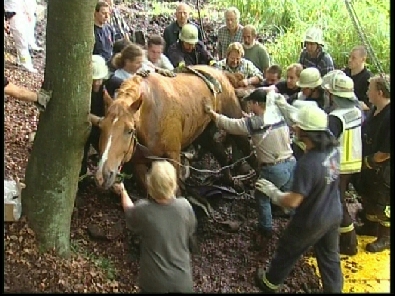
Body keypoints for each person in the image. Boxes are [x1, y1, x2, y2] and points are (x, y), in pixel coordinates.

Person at [254, 105, 343, 293]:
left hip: (311, 220)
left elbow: (293, 201)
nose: (294, 127)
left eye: (297, 126)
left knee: (287, 250)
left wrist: (273, 193)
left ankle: (269, 283)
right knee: (330, 258)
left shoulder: (308, 163)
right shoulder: (333, 149)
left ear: (306, 132)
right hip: (333, 213)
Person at [204, 88, 295, 239]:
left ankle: (265, 229)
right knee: (289, 193)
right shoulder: (278, 115)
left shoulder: (254, 123)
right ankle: (292, 218)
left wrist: (211, 113)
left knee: (262, 196)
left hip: (273, 169)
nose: (249, 107)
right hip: (291, 163)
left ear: (257, 104)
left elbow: (230, 125)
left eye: (251, 104)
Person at [113, 161, 197, 293]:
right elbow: (190, 230)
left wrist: (122, 190)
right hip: (183, 282)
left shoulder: (144, 210)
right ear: (173, 183)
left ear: (150, 184)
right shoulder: (185, 207)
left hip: (154, 284)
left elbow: (129, 210)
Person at [354, 74, 390, 253]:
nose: (367, 92)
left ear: (380, 92)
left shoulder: (389, 115)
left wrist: (369, 161)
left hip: (383, 168)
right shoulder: (374, 110)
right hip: (370, 166)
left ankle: (386, 236)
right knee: (369, 195)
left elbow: (385, 152)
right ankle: (370, 224)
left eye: (370, 89)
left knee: (384, 201)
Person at [5, 0, 38, 72]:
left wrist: (28, 13)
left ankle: (21, 60)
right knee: (22, 43)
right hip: (14, 17)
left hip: (20, 16)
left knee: (22, 42)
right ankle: (25, 63)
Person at [343, 45, 372, 113]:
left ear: (363, 59)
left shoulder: (368, 79)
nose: (350, 60)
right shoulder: (344, 73)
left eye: (353, 58)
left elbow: (367, 105)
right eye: (349, 56)